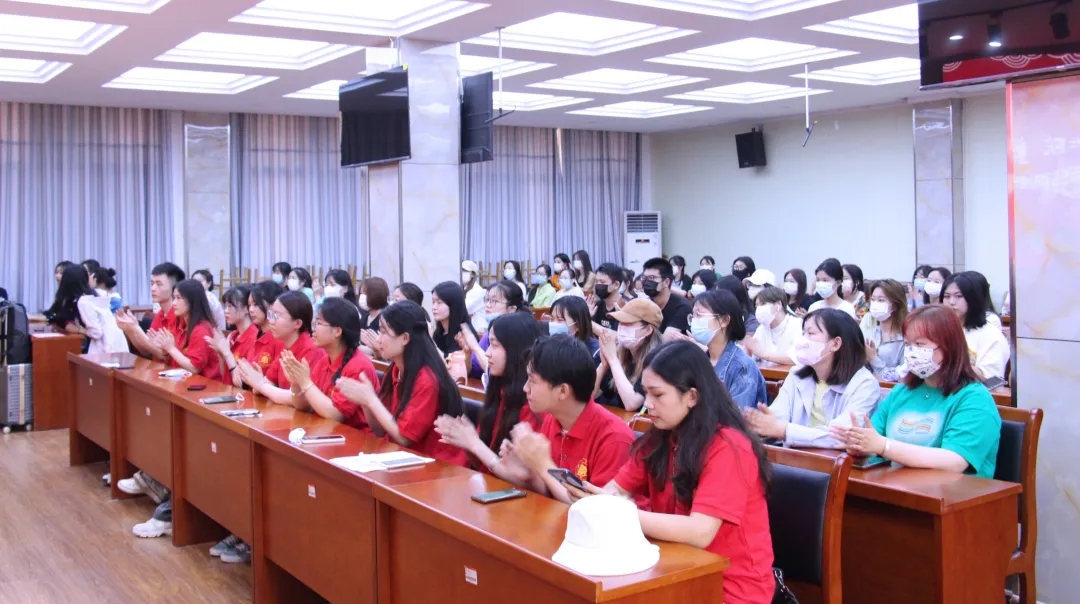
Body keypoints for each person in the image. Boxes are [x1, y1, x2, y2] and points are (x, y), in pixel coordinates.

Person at [568, 341, 775, 604]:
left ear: (692, 397)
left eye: (658, 395)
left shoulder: (729, 447)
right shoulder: (659, 437)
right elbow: (616, 490)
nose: (648, 404)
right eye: (646, 393)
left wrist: (617, 512)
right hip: (672, 569)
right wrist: (595, 500)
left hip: (730, 589)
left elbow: (699, 532)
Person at [831, 305, 1002, 478]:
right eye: (907, 344)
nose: (912, 352)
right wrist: (860, 446)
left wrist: (884, 446)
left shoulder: (974, 398)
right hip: (895, 486)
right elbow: (874, 440)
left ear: (949, 346)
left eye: (920, 344)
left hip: (951, 492)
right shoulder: (901, 391)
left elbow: (955, 462)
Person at [480, 335, 634, 504]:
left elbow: (594, 510)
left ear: (562, 391)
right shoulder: (553, 419)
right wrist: (529, 475)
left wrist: (542, 464)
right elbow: (551, 492)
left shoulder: (614, 438)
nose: (525, 388)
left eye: (532, 381)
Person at [333, 300, 468, 465]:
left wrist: (370, 399)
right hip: (405, 457)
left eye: (384, 332)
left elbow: (404, 438)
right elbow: (380, 430)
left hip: (438, 465)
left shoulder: (427, 378)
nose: (379, 340)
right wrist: (365, 402)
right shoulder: (396, 369)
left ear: (405, 338)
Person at [745, 309, 880, 448]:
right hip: (794, 457)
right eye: (803, 333)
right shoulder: (796, 374)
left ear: (835, 344)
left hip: (837, 459)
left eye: (811, 333)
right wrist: (761, 423)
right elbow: (778, 417)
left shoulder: (864, 384)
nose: (803, 340)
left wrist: (784, 430)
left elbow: (842, 436)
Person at [435, 313, 544, 469]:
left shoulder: (534, 404)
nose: (487, 353)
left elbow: (518, 476)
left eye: (495, 345)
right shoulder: (500, 391)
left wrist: (473, 443)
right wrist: (467, 442)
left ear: (515, 349)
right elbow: (483, 463)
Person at [281, 297, 380, 430]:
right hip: (326, 430)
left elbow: (335, 414)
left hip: (355, 437)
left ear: (337, 331)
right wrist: (296, 383)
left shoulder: (358, 366)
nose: (313, 328)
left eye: (319, 323)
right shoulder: (325, 360)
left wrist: (305, 382)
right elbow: (303, 406)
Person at [236, 291, 327, 404]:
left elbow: (298, 399)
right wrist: (258, 383)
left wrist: (261, 385)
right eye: (271, 314)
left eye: (277, 316)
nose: (271, 321)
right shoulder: (285, 346)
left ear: (297, 323)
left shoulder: (311, 350)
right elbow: (263, 385)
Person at [690, 290, 768, 410]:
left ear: (724, 320)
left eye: (699, 315)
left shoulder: (742, 366)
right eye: (693, 316)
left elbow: (737, 415)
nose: (694, 321)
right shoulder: (697, 361)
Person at [595, 298, 665, 411]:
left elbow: (632, 404)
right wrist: (603, 365)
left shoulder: (659, 359)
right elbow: (590, 396)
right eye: (620, 322)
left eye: (628, 323)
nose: (621, 327)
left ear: (648, 330)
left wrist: (613, 360)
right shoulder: (619, 352)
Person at [940, 271, 1009, 381]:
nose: (951, 302)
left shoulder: (991, 335)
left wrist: (948, 360)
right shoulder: (939, 329)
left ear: (973, 299)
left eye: (958, 296)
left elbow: (991, 380)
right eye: (946, 296)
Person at [152, 278, 222, 380]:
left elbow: (194, 368)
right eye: (174, 298)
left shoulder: (201, 329)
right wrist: (165, 349)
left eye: (178, 298)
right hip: (183, 381)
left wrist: (170, 348)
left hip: (205, 385)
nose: (174, 303)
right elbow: (175, 361)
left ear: (192, 300)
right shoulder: (181, 324)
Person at [115, 262, 186, 362]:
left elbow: (167, 356)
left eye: (159, 284)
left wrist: (136, 328)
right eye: (152, 283)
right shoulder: (160, 314)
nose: (153, 288)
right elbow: (146, 352)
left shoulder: (180, 316)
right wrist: (130, 330)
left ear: (174, 289)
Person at [49, 264, 127, 354]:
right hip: (116, 342)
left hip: (107, 347)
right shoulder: (93, 294)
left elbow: (96, 333)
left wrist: (77, 329)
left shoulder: (84, 301)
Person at [461, 281, 526, 377]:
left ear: (512, 309)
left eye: (494, 301)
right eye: (487, 300)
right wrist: (468, 354)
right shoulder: (490, 331)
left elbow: (499, 372)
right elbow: (473, 370)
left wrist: (475, 347)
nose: (487, 305)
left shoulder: (518, 333)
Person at [207, 287, 259, 386]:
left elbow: (242, 383)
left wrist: (226, 352)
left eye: (230, 306)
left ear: (246, 309)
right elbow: (225, 375)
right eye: (225, 306)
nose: (226, 311)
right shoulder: (232, 336)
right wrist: (221, 354)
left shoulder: (254, 337)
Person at [860, 279, 908, 381]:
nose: (875, 304)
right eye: (873, 299)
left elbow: (902, 377)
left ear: (895, 305)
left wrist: (873, 359)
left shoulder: (906, 339)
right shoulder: (872, 332)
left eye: (881, 300)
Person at [743, 286, 801, 367]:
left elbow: (798, 357)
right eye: (756, 306)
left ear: (778, 305)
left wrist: (763, 355)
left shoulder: (797, 324)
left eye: (763, 304)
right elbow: (753, 357)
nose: (759, 309)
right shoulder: (761, 329)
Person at [641, 257, 691, 335]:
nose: (646, 282)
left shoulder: (682, 307)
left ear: (666, 282)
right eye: (644, 278)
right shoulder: (645, 304)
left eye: (651, 278)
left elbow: (666, 340)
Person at [551, 296, 600, 365]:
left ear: (577, 325)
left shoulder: (595, 353)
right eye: (552, 319)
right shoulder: (550, 346)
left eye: (560, 320)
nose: (554, 323)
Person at [431, 281, 475, 356]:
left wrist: (430, 341)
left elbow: (450, 361)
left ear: (453, 305)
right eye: (433, 302)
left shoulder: (464, 334)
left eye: (439, 302)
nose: (434, 307)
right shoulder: (438, 332)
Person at [589, 263, 626, 331]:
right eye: (596, 281)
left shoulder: (626, 307)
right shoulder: (596, 306)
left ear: (616, 285)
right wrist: (589, 317)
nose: (598, 285)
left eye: (602, 282)